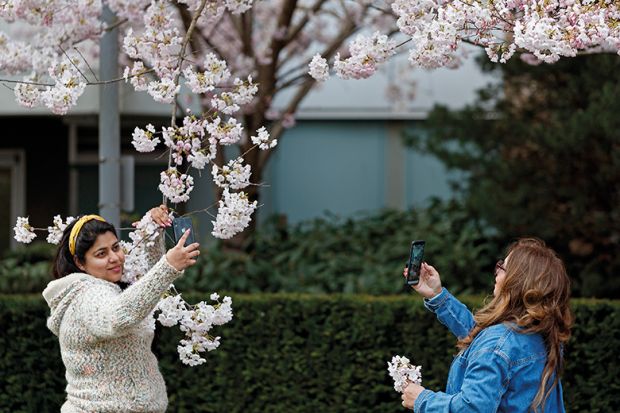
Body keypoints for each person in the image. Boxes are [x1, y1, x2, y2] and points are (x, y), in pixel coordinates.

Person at [42, 205, 200, 413]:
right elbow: (118, 317)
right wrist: (168, 266)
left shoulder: (108, 287)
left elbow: (143, 289)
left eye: (116, 247)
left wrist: (150, 227)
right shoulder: (87, 295)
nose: (115, 258)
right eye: (101, 254)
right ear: (80, 263)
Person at [401, 238, 572, 412]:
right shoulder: (543, 334)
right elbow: (480, 337)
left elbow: (472, 408)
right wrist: (437, 295)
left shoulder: (497, 344)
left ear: (517, 282)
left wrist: (422, 399)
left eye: (502, 267)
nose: (496, 271)